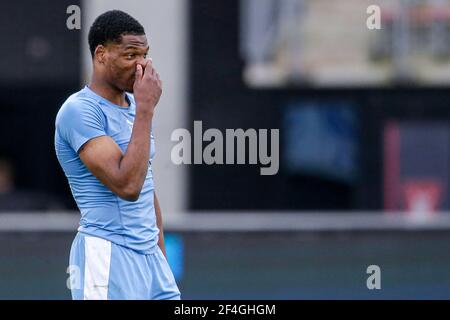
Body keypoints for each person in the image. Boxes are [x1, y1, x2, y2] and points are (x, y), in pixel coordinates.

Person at [54, 10, 180, 300]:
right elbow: (128, 186)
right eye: (130, 55)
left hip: (150, 259)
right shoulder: (80, 111)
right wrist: (147, 109)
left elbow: (146, 185)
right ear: (101, 55)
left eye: (145, 55)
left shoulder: (136, 106)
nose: (141, 66)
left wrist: (159, 258)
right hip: (108, 254)